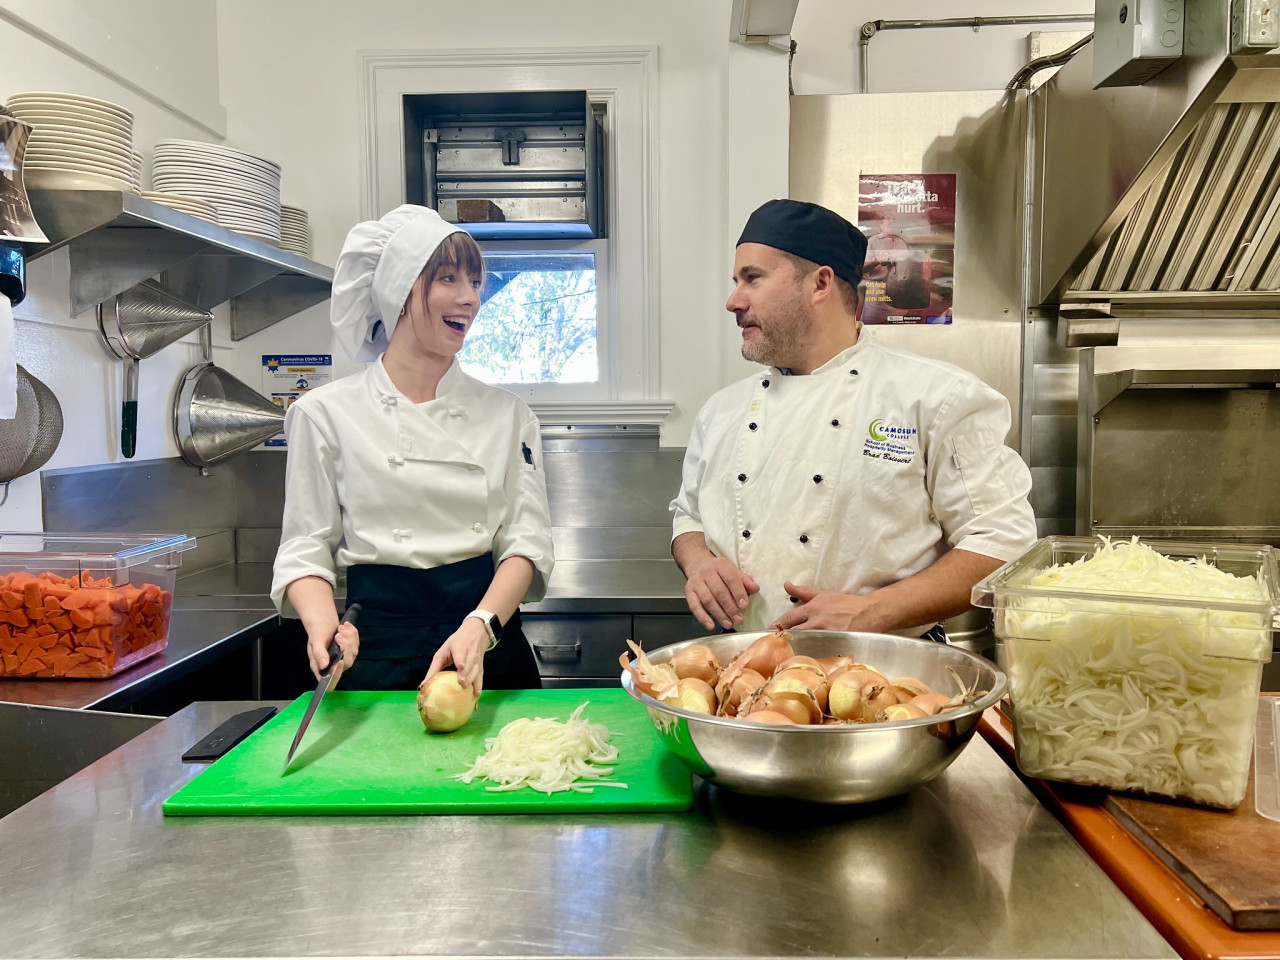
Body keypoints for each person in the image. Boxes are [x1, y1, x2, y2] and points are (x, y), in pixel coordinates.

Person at [670, 198, 1036, 640]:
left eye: (753, 278)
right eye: (736, 281)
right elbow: (688, 516)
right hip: (751, 672)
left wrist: (869, 612)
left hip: (886, 678)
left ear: (820, 283)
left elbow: (1002, 543)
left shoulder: (936, 397)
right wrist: (700, 564)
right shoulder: (720, 412)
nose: (733, 301)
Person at [271, 205, 554, 693]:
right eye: (448, 278)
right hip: (374, 653)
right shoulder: (325, 413)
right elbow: (305, 546)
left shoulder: (510, 415)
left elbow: (525, 544)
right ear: (399, 291)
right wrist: (321, 625)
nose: (470, 298)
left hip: (485, 647)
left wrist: (480, 624)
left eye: (475, 281)